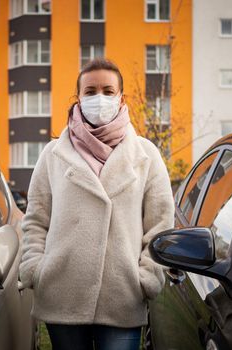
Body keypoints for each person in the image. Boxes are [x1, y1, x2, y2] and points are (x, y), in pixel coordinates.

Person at [19, 58, 175, 350]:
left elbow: (160, 224)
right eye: (90, 92)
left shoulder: (146, 155)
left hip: (123, 295)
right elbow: (36, 219)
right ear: (78, 98)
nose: (98, 98)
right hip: (61, 292)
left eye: (107, 90)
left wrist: (147, 276)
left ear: (121, 97)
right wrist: (35, 268)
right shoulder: (53, 154)